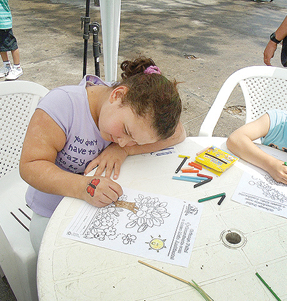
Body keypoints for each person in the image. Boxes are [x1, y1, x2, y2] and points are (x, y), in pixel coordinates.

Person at [20, 57, 186, 252]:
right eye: (126, 131)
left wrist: (123, 149)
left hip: (101, 212)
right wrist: (83, 188)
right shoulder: (62, 106)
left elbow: (178, 134)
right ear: (117, 95)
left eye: (134, 141)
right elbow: (30, 166)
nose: (123, 141)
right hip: (52, 214)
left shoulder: (126, 117)